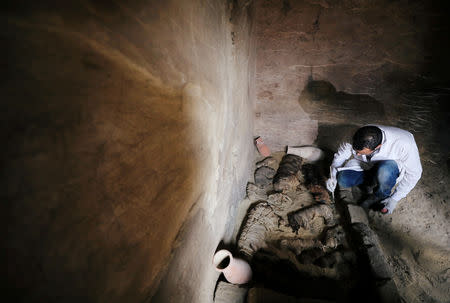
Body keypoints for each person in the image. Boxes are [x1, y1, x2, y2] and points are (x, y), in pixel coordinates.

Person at [326, 125, 422, 214]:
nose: (357, 154)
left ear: (378, 146)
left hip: (388, 168)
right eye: (356, 151)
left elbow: (414, 174)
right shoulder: (355, 134)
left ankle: (380, 195)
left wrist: (395, 198)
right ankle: (370, 182)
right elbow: (340, 156)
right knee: (343, 180)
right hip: (365, 164)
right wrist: (333, 176)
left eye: (361, 152)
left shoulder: (404, 143)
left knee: (385, 171)